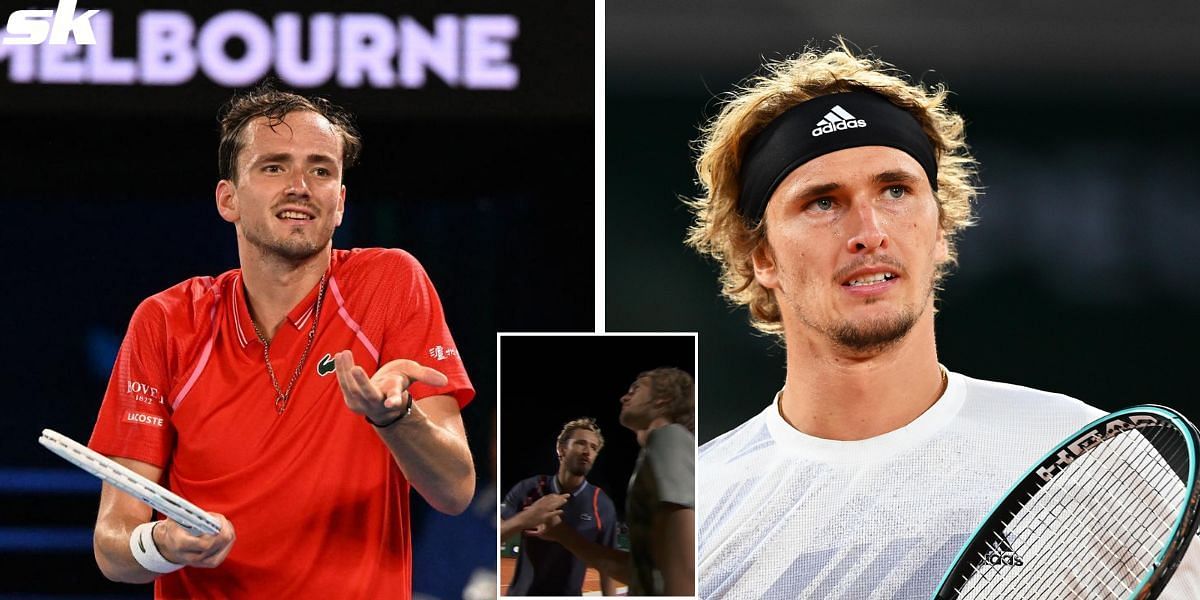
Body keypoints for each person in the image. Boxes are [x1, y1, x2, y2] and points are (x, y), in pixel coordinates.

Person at [684, 40, 1182, 598]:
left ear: (941, 230)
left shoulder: (1089, 462)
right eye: (822, 202)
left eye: (895, 190)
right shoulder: (688, 513)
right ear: (763, 257)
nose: (869, 231)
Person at [86, 84, 476, 598]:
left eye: (321, 170)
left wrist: (395, 418)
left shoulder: (391, 283)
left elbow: (455, 490)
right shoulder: (165, 321)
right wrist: (160, 542)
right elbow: (113, 547)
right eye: (274, 167)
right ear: (228, 199)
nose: (301, 186)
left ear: (339, 203)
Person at [537, 368, 696, 596]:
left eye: (636, 389)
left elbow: (681, 568)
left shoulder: (669, 439)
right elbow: (646, 573)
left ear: (664, 400)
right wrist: (563, 534)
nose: (624, 397)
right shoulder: (660, 449)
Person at [501, 418, 619, 596]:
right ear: (561, 448)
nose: (587, 451)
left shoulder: (601, 504)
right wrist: (526, 518)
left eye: (594, 448)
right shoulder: (529, 488)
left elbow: (608, 567)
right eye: (581, 443)